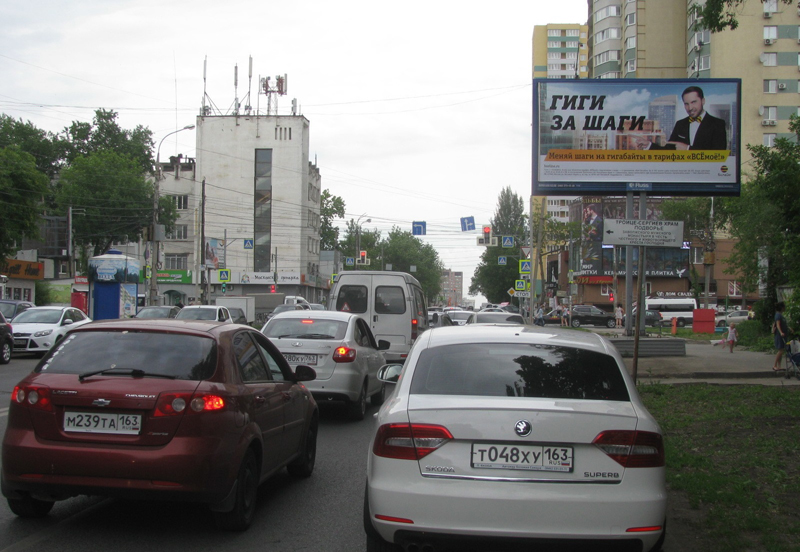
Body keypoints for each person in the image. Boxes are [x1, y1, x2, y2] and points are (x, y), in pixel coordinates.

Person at [653, 86, 727, 151]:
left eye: (693, 102)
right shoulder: (680, 124)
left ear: (703, 101)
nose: (690, 108)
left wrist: (688, 149)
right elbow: (668, 150)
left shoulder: (718, 124)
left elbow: (718, 154)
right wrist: (648, 145)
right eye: (686, 104)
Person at [773, 302, 793, 371]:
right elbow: (778, 324)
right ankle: (775, 365)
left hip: (784, 335)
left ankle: (779, 366)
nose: (785, 308)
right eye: (784, 307)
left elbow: (784, 324)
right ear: (782, 307)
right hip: (780, 336)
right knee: (780, 350)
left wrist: (789, 328)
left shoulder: (781, 315)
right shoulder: (778, 315)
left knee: (781, 350)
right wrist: (781, 332)